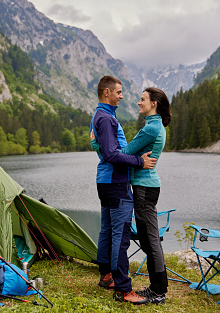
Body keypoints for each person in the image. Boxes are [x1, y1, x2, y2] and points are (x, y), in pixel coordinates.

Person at [91, 87, 171, 305]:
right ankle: (157, 287)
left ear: (154, 103)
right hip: (145, 186)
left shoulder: (151, 128)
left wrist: (97, 144)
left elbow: (121, 154)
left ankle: (158, 290)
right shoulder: (153, 126)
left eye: (143, 99)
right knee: (147, 238)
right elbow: (123, 152)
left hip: (145, 188)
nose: (138, 102)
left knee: (150, 239)